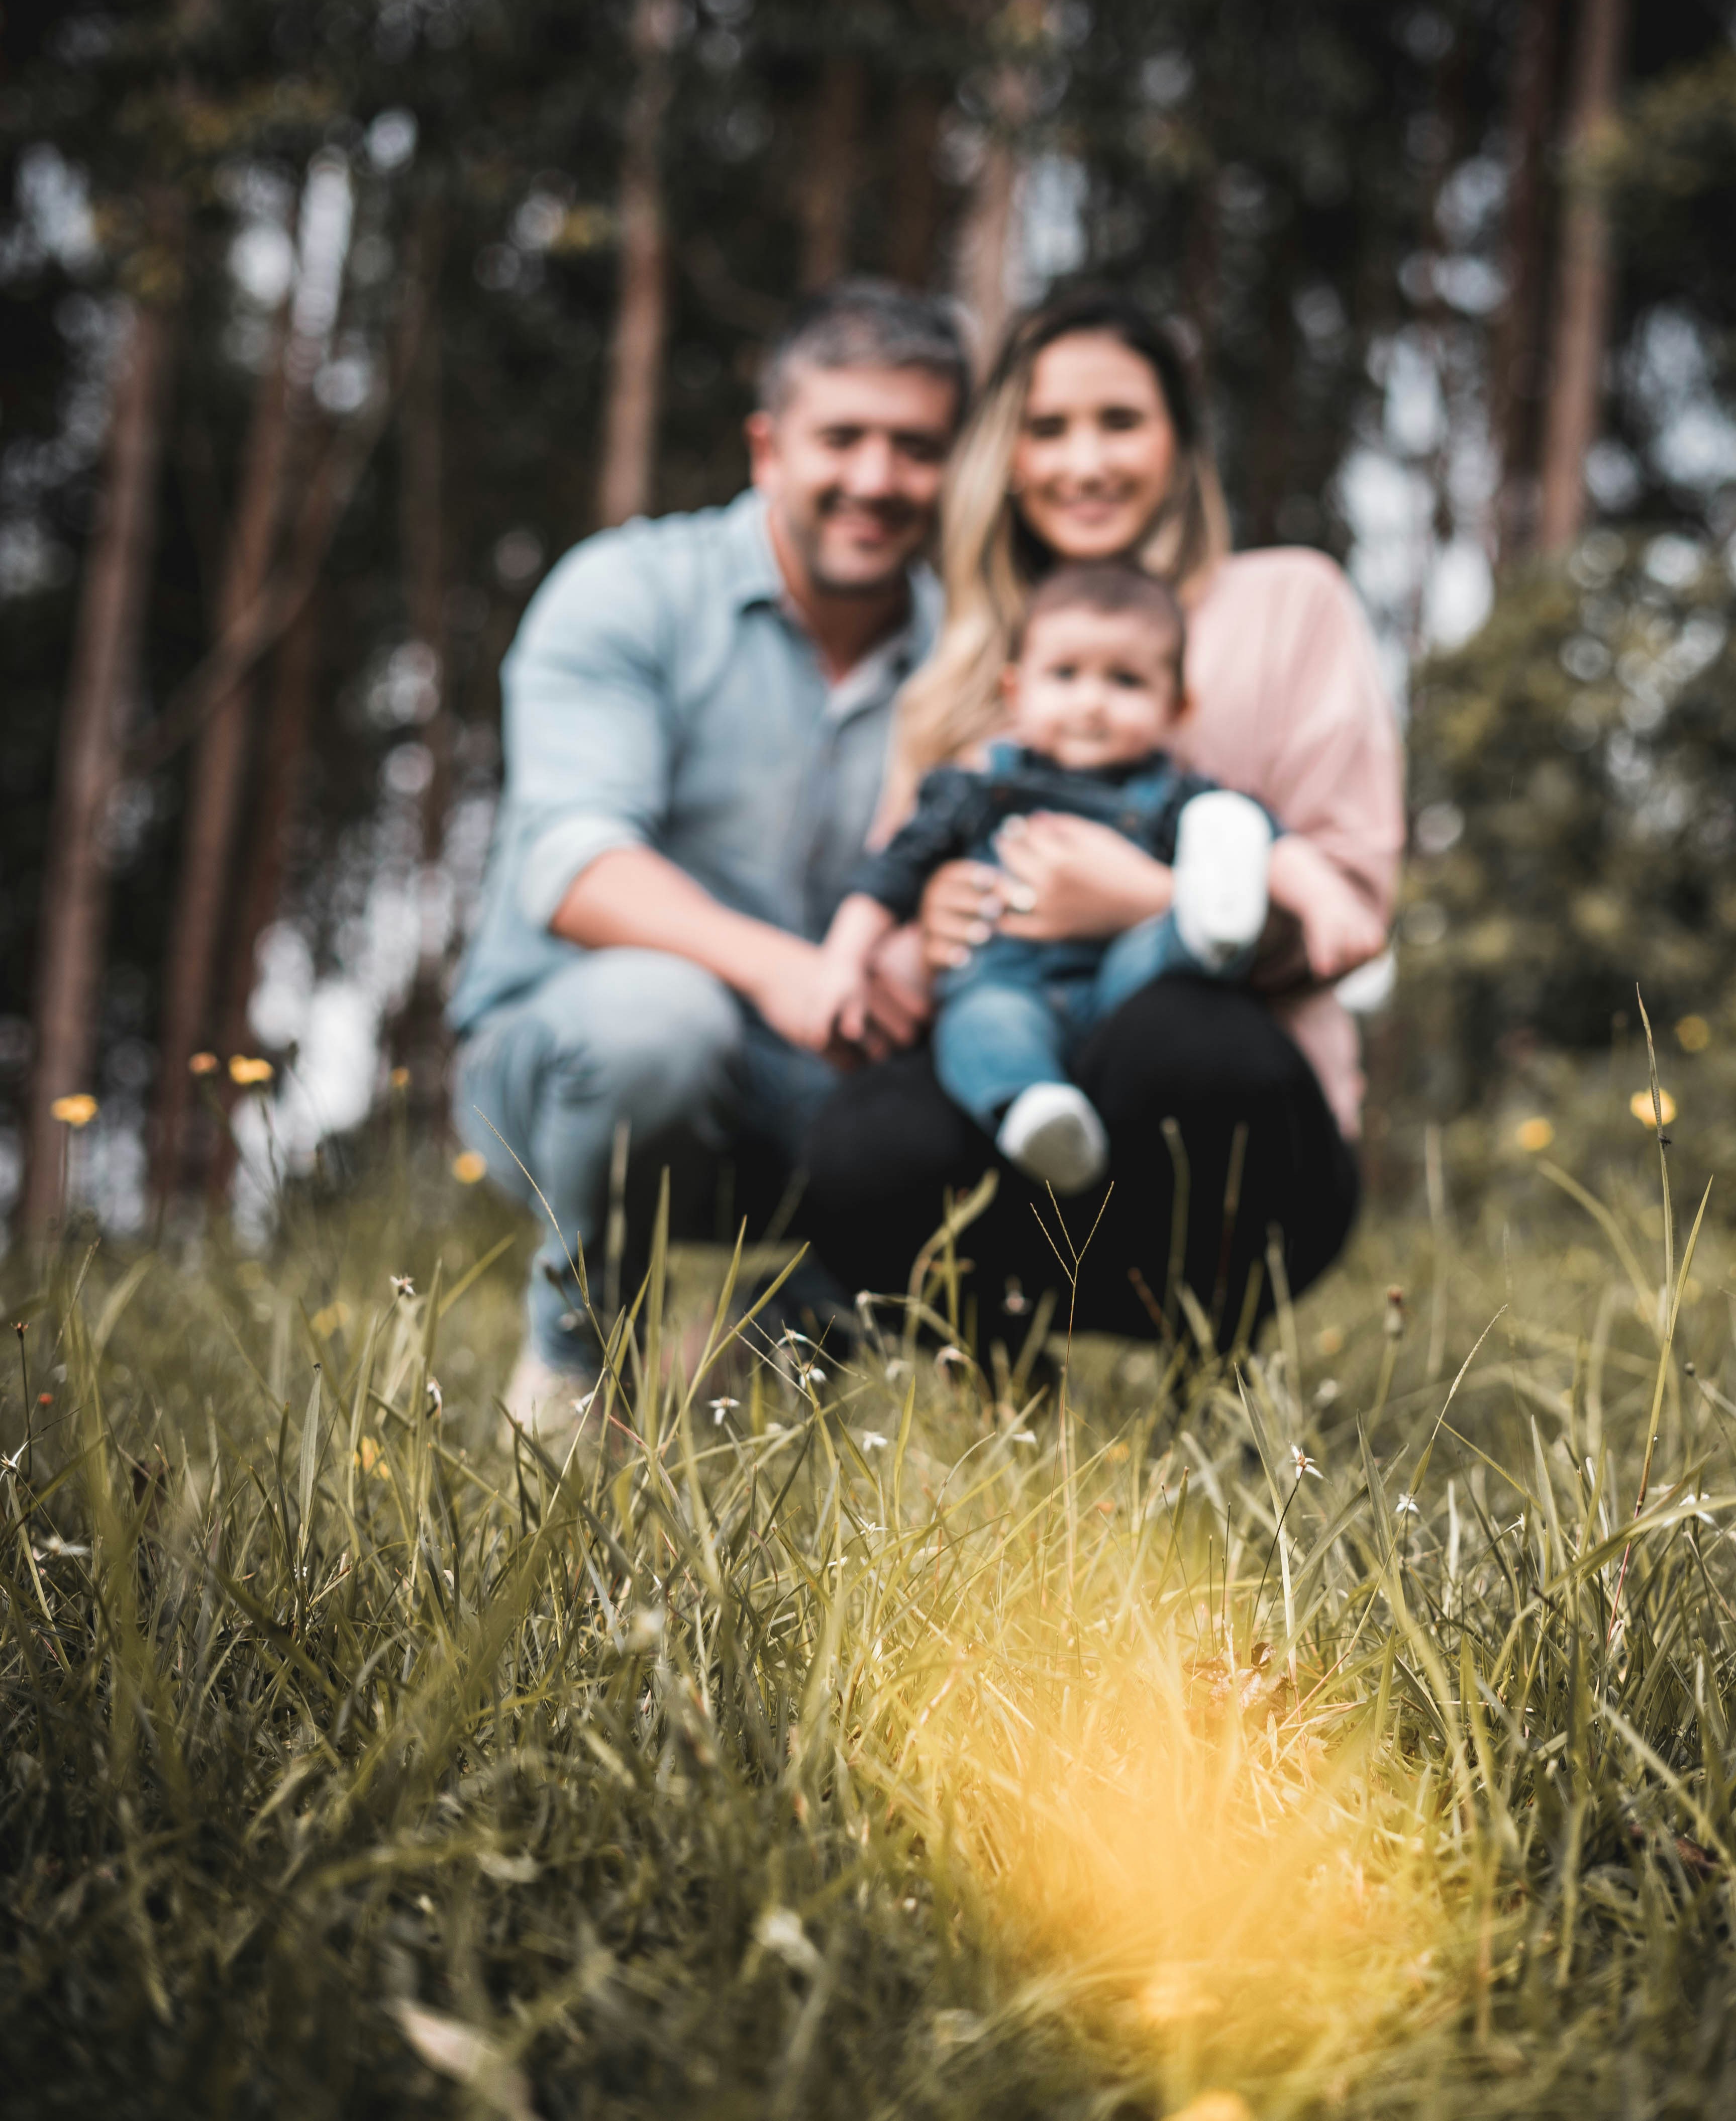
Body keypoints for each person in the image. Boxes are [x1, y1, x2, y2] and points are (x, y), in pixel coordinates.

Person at [798, 285, 1405, 1355]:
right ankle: (1002, 1405)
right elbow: (891, 933)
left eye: (1118, 422)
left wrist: (1149, 900)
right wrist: (930, 930)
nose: (1084, 463)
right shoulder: (967, 670)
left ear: (1177, 442)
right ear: (1008, 455)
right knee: (863, 1142)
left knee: (1179, 1038)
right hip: (1021, 1108)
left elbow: (1349, 912)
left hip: (1228, 1137)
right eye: (1047, 428)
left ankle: (1210, 1389)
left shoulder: (1287, 604)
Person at [448, 279, 968, 1417]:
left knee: (990, 1083)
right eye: (843, 439)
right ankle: (574, 1387)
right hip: (575, 1062)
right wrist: (780, 968)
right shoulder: (625, 589)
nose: (876, 480)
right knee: (660, 1021)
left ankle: (745, 1389)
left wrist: (921, 956)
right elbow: (575, 869)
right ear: (767, 448)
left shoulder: (974, 657)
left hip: (821, 1085)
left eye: (916, 448)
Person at [820, 559, 1344, 1194]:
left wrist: (1321, 899)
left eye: (1125, 681)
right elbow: (893, 872)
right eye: (1064, 676)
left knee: (1177, 947)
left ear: (1176, 707)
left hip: (1122, 984)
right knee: (980, 1028)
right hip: (1007, 980)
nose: (1090, 702)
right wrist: (843, 960)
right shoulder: (978, 786)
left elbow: (1271, 843)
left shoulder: (1177, 794)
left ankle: (1207, 926)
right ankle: (1037, 1114)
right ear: (1016, 692)